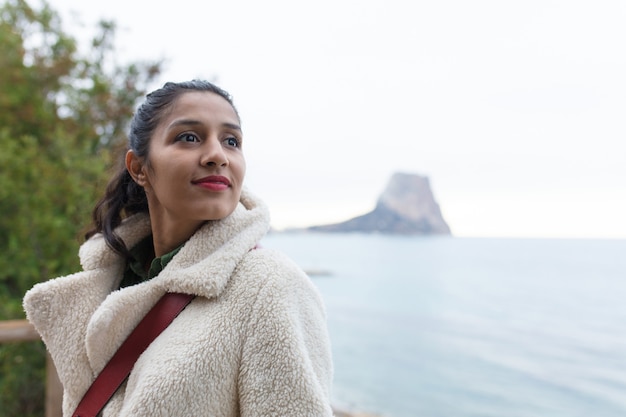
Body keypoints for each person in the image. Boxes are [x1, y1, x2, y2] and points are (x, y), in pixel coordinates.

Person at [23, 80, 334, 416]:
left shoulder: (270, 285)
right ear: (139, 168)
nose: (217, 155)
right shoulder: (110, 284)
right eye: (189, 137)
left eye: (232, 141)